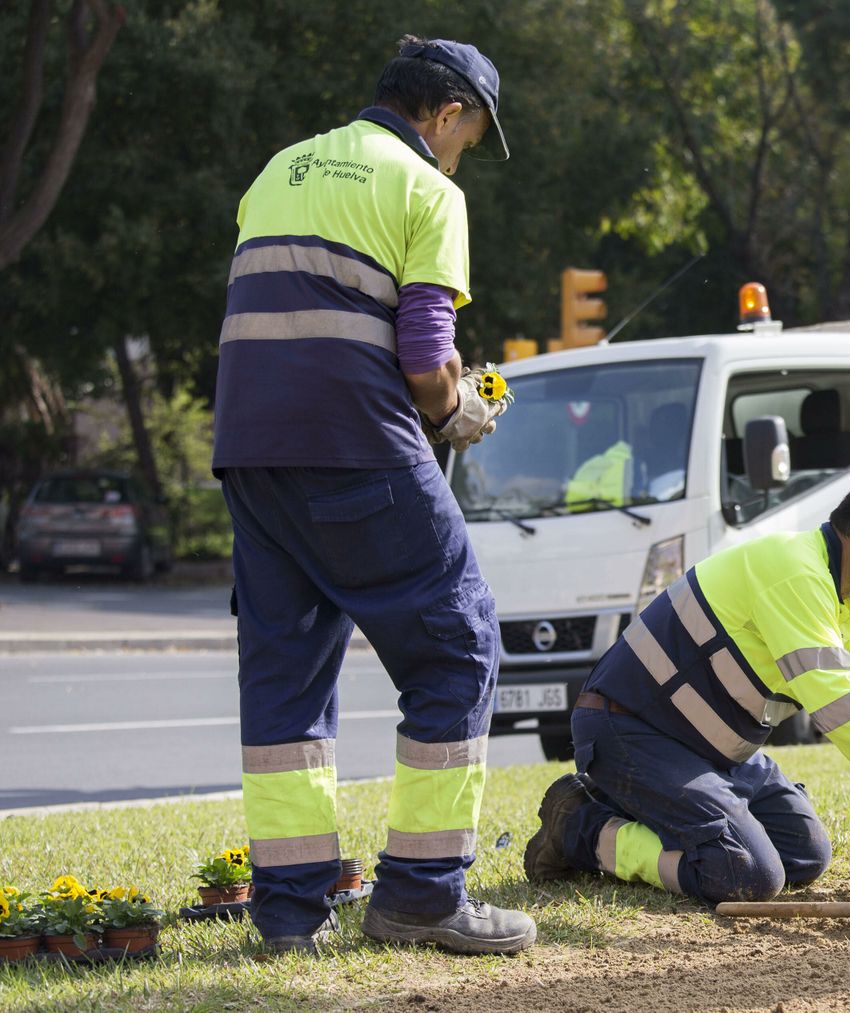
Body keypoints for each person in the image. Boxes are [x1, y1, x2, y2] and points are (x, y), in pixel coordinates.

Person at [211, 35, 532, 956]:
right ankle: (424, 897)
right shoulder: (429, 188)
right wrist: (459, 407)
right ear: (446, 115)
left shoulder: (279, 168)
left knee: (286, 689)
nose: (462, 152)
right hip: (356, 447)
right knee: (459, 647)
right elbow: (425, 350)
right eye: (468, 136)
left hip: (251, 453)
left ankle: (286, 915)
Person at [522, 469, 850, 903]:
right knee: (747, 873)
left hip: (707, 751)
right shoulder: (795, 573)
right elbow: (841, 712)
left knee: (804, 855)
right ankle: (580, 828)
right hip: (628, 732)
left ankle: (630, 806)